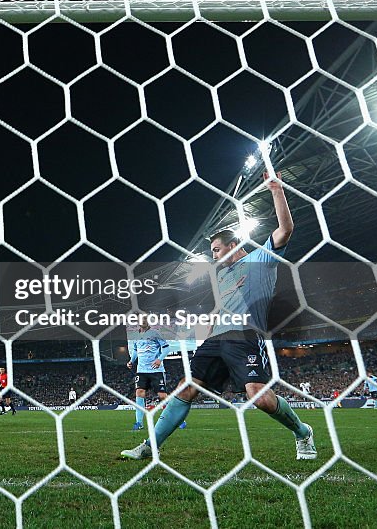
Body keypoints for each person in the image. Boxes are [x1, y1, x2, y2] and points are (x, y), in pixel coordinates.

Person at [121, 172, 316, 461]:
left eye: (216, 249)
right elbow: (215, 311)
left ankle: (302, 433)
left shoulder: (260, 259)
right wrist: (183, 331)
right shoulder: (222, 275)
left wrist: (276, 190)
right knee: (185, 389)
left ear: (234, 245)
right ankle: (149, 447)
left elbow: (285, 229)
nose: (213, 256)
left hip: (246, 337)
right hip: (215, 341)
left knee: (259, 397)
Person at [127, 321, 184, 431]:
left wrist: (159, 359)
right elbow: (135, 350)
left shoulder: (155, 333)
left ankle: (177, 420)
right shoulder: (135, 336)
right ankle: (139, 423)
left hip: (156, 370)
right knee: (139, 392)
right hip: (141, 370)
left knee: (162, 396)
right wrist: (131, 361)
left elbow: (166, 348)